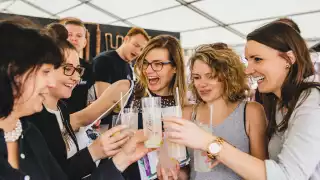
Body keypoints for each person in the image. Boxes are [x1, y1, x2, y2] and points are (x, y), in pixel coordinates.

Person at [163, 22, 320, 179]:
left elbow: (287, 175)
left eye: (257, 59)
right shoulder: (281, 103)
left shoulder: (312, 105)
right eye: (248, 60)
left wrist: (211, 144)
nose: (248, 70)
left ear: (289, 58)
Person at [0, 21, 152, 180]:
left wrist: (122, 159)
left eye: (77, 70)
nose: (50, 82)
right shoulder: (34, 124)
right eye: (45, 72)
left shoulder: (29, 132)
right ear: (12, 73)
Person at [171, 43, 267, 180]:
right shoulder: (188, 113)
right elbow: (187, 169)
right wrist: (174, 173)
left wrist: (226, 153)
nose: (202, 84)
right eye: (197, 77)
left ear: (228, 76)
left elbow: (263, 173)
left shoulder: (251, 111)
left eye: (210, 76)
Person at [93, 27, 149, 126]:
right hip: (102, 125)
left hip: (122, 124)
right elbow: (103, 101)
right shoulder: (104, 60)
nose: (137, 52)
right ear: (126, 39)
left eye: (141, 49)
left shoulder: (129, 66)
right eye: (136, 45)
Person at [60, 18, 95, 113]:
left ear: (85, 42)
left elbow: (91, 98)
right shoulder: (52, 63)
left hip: (80, 123)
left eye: (79, 36)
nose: (73, 38)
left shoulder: (89, 68)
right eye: (69, 35)